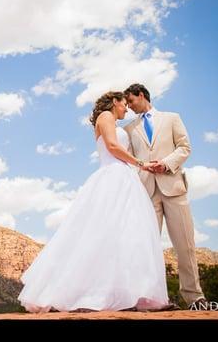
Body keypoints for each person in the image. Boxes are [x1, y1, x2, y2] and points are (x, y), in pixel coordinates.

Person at [17, 91, 171, 313]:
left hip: (124, 178)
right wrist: (141, 164)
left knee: (126, 236)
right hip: (114, 177)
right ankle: (94, 294)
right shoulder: (105, 117)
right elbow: (113, 146)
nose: (126, 108)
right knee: (104, 234)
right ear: (114, 102)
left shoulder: (112, 120)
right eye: (124, 104)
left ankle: (126, 294)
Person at [123, 83, 206, 309]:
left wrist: (166, 164)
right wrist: (142, 170)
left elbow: (184, 147)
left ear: (142, 95)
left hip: (174, 189)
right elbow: (129, 160)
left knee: (185, 245)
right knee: (145, 247)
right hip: (147, 193)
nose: (129, 107)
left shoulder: (171, 118)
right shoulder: (129, 129)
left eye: (130, 101)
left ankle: (194, 297)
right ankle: (147, 298)